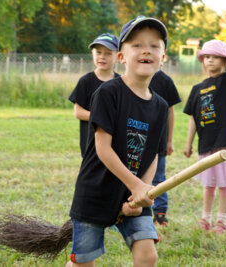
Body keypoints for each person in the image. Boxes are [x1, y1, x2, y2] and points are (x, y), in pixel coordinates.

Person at [66, 16, 169, 267]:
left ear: (163, 57)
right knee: (84, 262)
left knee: (147, 256)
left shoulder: (161, 106)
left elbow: (154, 154)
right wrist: (136, 185)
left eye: (154, 46)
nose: (146, 50)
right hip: (96, 191)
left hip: (135, 192)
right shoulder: (108, 92)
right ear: (121, 57)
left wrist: (143, 191)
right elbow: (102, 148)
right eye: (136, 45)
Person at [183, 16, 226, 234]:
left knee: (224, 183)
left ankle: (222, 221)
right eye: (206, 57)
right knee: (209, 184)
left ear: (224, 61)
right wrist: (189, 143)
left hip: (224, 142)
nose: (210, 60)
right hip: (206, 143)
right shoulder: (197, 88)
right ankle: (205, 219)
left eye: (215, 57)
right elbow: (193, 117)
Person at [68, 33, 119, 157]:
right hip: (90, 141)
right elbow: (78, 112)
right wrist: (103, 118)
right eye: (98, 52)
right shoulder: (86, 81)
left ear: (118, 56)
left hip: (115, 142)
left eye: (108, 53)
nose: (102, 57)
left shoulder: (122, 83)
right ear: (92, 54)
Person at [149, 70, 181, 226]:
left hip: (158, 140)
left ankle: (160, 213)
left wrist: (169, 140)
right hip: (135, 139)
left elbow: (170, 111)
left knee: (158, 177)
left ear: (163, 56)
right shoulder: (129, 78)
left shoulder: (165, 81)